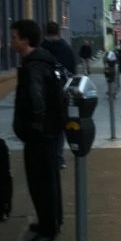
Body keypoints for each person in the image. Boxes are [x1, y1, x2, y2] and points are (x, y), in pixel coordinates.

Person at [11, 19, 64, 241]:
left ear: (25, 40)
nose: (11, 41)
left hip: (40, 136)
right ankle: (52, 221)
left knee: (40, 183)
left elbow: (36, 99)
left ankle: (47, 232)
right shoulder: (44, 60)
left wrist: (35, 127)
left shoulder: (34, 66)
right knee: (49, 180)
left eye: (14, 37)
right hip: (49, 133)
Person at [41, 21, 76, 169]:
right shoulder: (66, 49)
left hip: (44, 93)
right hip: (61, 93)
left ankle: (47, 156)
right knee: (61, 125)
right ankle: (59, 158)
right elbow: (72, 71)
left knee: (45, 125)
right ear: (59, 32)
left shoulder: (40, 49)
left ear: (45, 32)